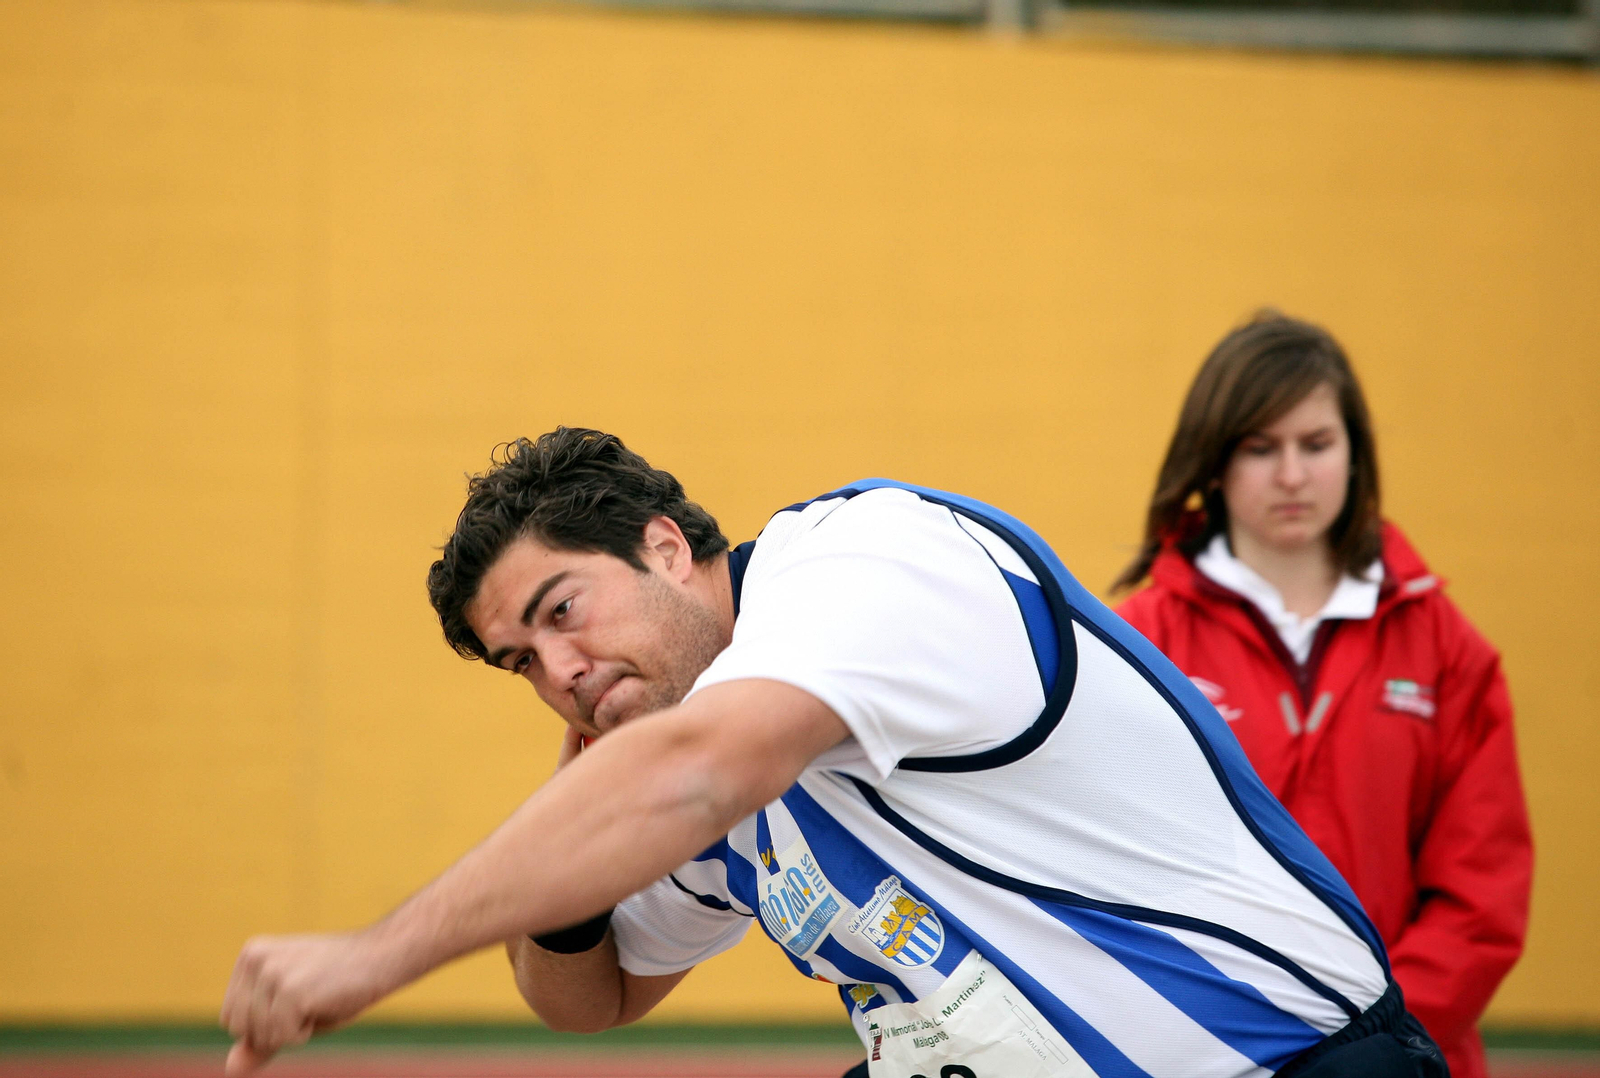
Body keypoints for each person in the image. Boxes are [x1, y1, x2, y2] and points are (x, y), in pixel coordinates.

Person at [221, 426, 1447, 1078]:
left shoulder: (868, 558)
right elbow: (590, 999)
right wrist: (581, 789)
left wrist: (373, 954)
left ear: (661, 546)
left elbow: (705, 766)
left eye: (559, 613)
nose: (555, 672)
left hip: (1295, 1060)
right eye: (519, 665)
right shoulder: (666, 749)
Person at [1113, 312, 1532, 1078]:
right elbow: (1106, 872)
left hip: (1400, 1060)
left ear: (1355, 454)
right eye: (1260, 449)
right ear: (1213, 460)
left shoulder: (1445, 648)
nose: (1293, 476)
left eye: (1316, 445)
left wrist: (1372, 1047)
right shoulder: (1141, 643)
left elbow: (1482, 897)